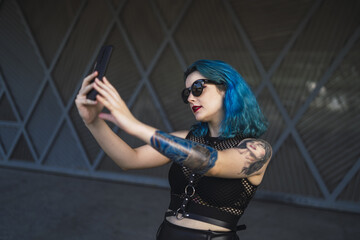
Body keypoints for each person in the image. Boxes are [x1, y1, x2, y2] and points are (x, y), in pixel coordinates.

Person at [75, 59, 272, 240]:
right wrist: (93, 122)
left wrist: (134, 125)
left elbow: (214, 163)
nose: (190, 99)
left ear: (226, 88)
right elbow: (129, 159)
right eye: (186, 93)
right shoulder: (184, 138)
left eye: (197, 88)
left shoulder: (258, 149)